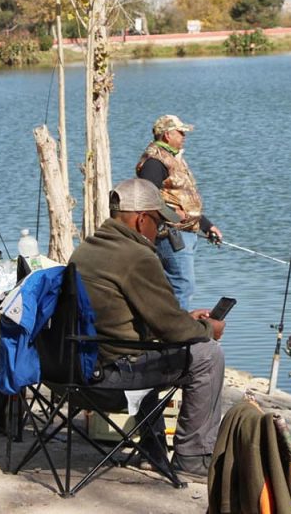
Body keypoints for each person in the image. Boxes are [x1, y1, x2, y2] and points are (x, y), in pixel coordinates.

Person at [68, 178, 226, 477]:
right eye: (158, 222)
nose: (161, 231)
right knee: (208, 355)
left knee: (155, 350)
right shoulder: (137, 256)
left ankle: (150, 451)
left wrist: (188, 318)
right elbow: (172, 330)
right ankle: (193, 458)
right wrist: (208, 328)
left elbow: (122, 319)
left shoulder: (86, 249)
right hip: (110, 380)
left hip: (71, 371)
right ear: (141, 220)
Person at [136, 114, 223, 309]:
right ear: (167, 135)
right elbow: (147, 199)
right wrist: (173, 215)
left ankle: (169, 331)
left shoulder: (173, 159)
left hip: (187, 233)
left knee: (179, 286)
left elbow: (185, 202)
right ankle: (174, 333)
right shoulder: (154, 162)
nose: (184, 136)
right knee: (183, 285)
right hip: (171, 235)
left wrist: (207, 226)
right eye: (180, 132)